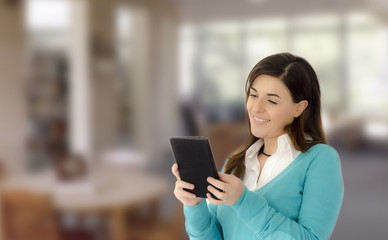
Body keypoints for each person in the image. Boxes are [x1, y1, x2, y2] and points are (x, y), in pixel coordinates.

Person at [172, 52, 344, 240]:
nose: (256, 107)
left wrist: (242, 200)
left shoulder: (320, 159)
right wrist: (194, 206)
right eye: (253, 95)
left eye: (271, 100)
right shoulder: (235, 162)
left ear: (299, 108)